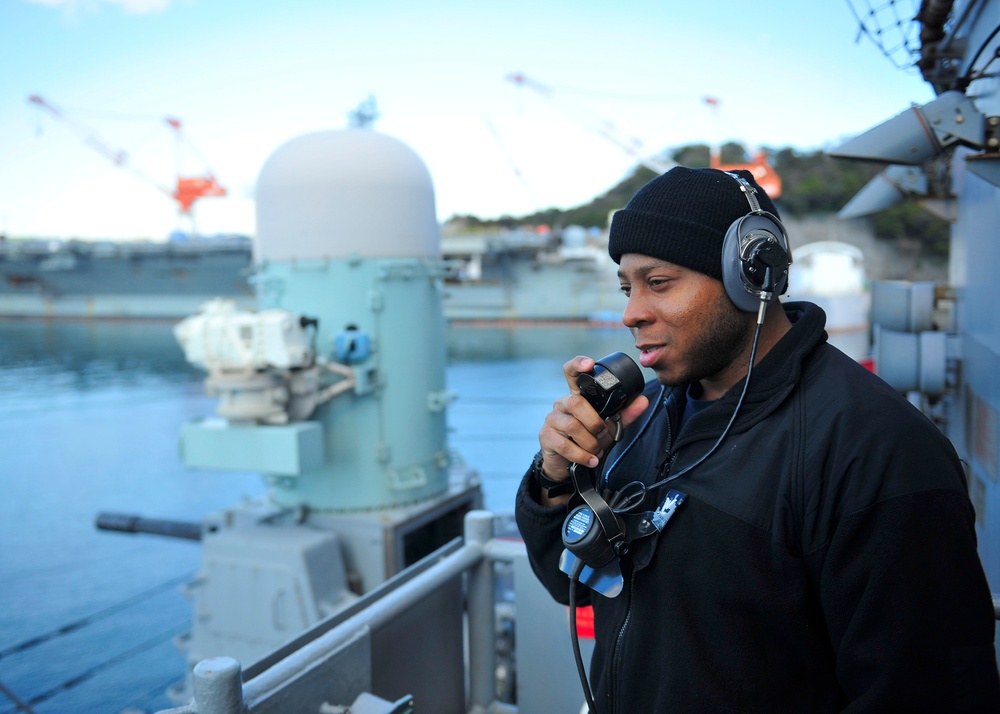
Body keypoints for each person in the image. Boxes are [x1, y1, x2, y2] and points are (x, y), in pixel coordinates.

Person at [515, 166, 1000, 713]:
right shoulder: (640, 417)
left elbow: (927, 694)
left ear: (753, 274)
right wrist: (557, 474)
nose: (631, 313)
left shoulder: (877, 450)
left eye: (659, 283)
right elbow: (572, 580)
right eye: (627, 287)